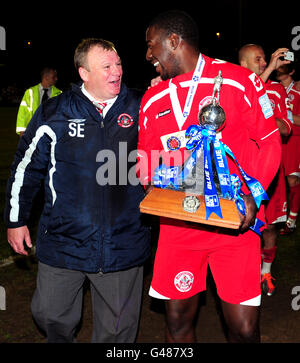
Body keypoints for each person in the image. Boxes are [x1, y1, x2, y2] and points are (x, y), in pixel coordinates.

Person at [138, 10, 281, 343]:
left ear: (174, 41)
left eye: (151, 44)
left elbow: (270, 140)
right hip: (179, 225)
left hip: (234, 222)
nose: (147, 54)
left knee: (244, 328)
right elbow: (146, 157)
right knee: (176, 321)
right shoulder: (151, 98)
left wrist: (253, 195)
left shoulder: (238, 80)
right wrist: (152, 183)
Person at [5, 38, 150, 343]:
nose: (117, 72)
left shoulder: (142, 106)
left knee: (117, 332)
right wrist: (16, 220)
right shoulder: (54, 112)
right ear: (84, 73)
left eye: (119, 64)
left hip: (123, 242)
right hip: (63, 240)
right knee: (49, 315)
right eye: (107, 66)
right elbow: (26, 167)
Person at [238, 44, 293, 296]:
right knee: (241, 223)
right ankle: (241, 272)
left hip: (269, 169)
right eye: (258, 59)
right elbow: (240, 107)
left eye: (265, 59)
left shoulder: (276, 89)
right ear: (243, 64)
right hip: (240, 171)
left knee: (270, 226)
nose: (264, 62)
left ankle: (266, 272)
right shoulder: (234, 85)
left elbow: (284, 127)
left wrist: (262, 123)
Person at [276, 63, 300, 235]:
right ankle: (276, 216)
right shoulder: (273, 89)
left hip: (294, 139)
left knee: (292, 180)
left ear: (291, 71)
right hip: (276, 139)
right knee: (276, 181)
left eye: (284, 68)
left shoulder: (298, 90)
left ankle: (291, 220)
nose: (278, 70)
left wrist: (285, 118)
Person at [16, 67, 61, 136]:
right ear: (46, 77)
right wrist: (22, 131)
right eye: (54, 77)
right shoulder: (30, 92)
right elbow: (23, 112)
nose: (56, 79)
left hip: (51, 132)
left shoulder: (59, 94)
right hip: (32, 130)